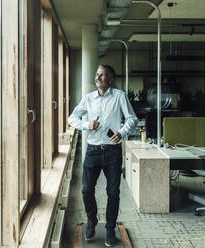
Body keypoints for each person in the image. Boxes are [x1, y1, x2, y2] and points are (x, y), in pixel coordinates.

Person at [68, 65, 138, 247]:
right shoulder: (88, 98)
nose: (98, 77)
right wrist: (87, 125)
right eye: (97, 74)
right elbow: (71, 118)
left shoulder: (120, 96)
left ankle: (109, 228)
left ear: (110, 80)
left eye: (102, 75)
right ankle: (91, 220)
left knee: (113, 193)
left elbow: (132, 118)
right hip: (92, 150)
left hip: (113, 151)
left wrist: (122, 132)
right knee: (86, 190)